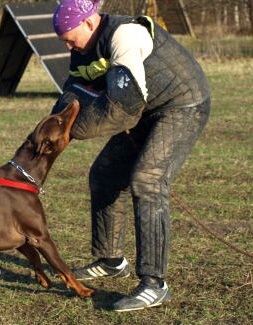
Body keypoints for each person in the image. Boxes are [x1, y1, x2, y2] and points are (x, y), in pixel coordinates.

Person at [51, 0, 211, 312]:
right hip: (145, 110)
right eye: (65, 41)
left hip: (182, 105)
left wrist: (69, 131)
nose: (68, 45)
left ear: (89, 23)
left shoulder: (126, 36)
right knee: (104, 176)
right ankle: (111, 261)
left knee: (147, 180)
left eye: (70, 38)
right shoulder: (83, 47)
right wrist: (54, 122)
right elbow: (76, 90)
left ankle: (154, 283)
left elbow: (122, 107)